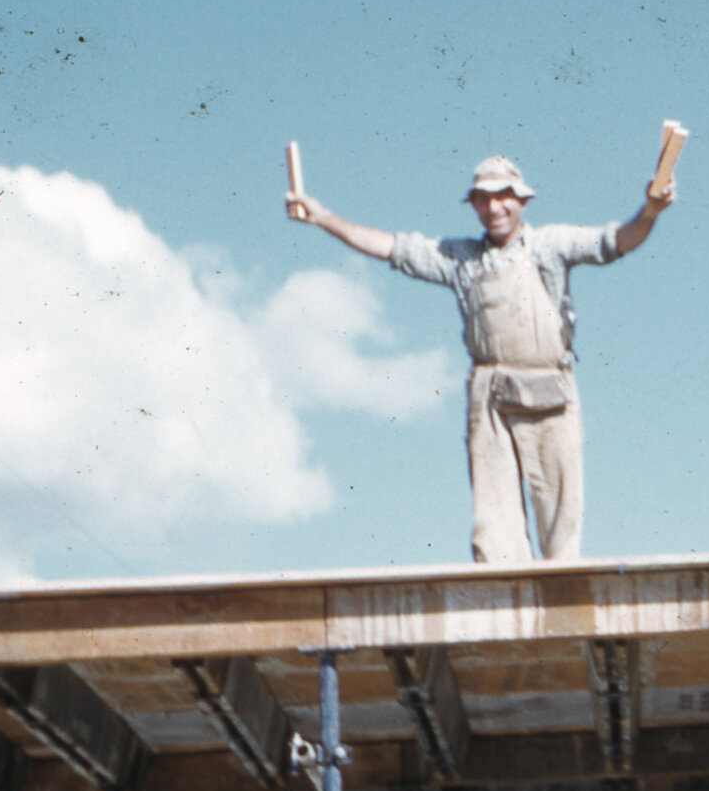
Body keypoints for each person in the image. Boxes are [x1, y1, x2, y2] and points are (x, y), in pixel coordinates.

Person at [287, 153, 672, 562]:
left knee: (561, 520)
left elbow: (617, 241)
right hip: (490, 397)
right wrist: (323, 217)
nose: (494, 207)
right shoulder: (461, 258)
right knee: (494, 528)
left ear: (523, 201)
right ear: (473, 205)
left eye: (504, 196)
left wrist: (650, 212)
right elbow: (392, 247)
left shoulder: (550, 245)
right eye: (483, 199)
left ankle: (564, 606)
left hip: (551, 389)